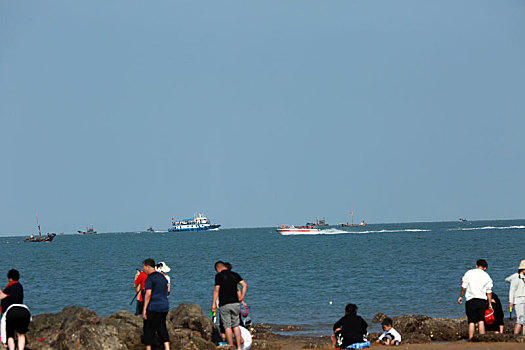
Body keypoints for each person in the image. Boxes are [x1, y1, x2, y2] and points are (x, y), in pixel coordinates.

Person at [211, 261, 247, 350]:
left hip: (224, 304)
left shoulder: (219, 276)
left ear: (217, 269)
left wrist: (214, 304)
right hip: (235, 303)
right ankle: (239, 347)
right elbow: (244, 285)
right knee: (236, 326)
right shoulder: (235, 275)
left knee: (227, 327)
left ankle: (231, 347)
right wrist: (242, 297)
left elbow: (216, 290)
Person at [457, 259, 493, 340]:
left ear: (476, 266)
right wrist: (490, 303)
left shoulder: (469, 273)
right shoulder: (487, 276)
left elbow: (464, 286)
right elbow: (489, 291)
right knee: (481, 320)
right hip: (482, 300)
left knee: (471, 321)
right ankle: (482, 338)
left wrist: (461, 296)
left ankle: (471, 338)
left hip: (471, 300)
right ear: (485, 268)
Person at [142, 258, 170, 350]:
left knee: (148, 329)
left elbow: (148, 294)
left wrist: (144, 309)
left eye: (143, 267)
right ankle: (167, 347)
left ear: (148, 266)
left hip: (153, 307)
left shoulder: (150, 278)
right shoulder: (162, 277)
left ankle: (148, 348)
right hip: (164, 306)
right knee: (162, 327)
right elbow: (166, 291)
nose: (143, 270)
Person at [0, 269, 31, 350]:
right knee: (21, 334)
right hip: (24, 310)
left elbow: (1, 296)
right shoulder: (20, 286)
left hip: (12, 311)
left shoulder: (10, 287)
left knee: (10, 335)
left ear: (10, 278)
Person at [506, 259, 525, 335]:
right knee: (520, 319)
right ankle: (515, 335)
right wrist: (511, 302)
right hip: (518, 301)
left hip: (523, 300)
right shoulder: (515, 277)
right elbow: (512, 290)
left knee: (524, 320)